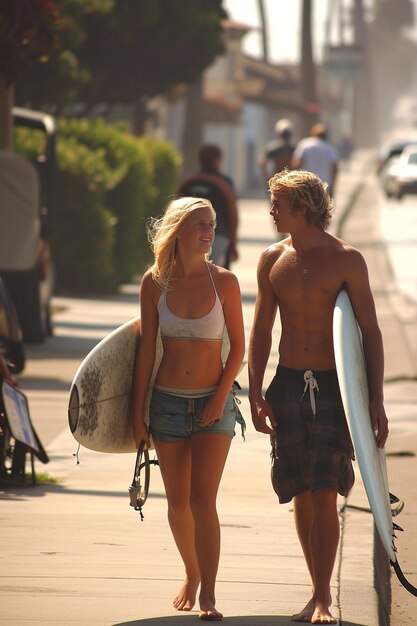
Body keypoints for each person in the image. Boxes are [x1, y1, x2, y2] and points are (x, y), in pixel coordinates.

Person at [248, 169, 389, 624]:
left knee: (326, 491)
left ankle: (324, 599)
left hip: (332, 387)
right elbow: (261, 330)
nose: (271, 211)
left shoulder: (347, 259)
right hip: (287, 383)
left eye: (278, 204)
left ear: (303, 208)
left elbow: (368, 330)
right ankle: (315, 591)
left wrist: (374, 401)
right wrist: (255, 389)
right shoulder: (272, 258)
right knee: (302, 493)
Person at [132, 196, 245, 622]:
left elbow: (238, 348)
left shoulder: (225, 283)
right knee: (177, 503)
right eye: (199, 224)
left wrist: (219, 399)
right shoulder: (154, 283)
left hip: (213, 405)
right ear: (178, 230)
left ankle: (210, 595)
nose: (208, 231)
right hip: (165, 404)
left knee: (203, 501)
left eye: (211, 224)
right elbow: (146, 350)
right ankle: (191, 573)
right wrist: (137, 412)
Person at [177, 145, 239, 269]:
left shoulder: (189, 182)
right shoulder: (224, 182)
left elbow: (176, 214)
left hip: (189, 236)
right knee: (215, 276)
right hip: (218, 236)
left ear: (199, 160)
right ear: (217, 160)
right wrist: (232, 243)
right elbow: (232, 215)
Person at [291, 123, 339, 197]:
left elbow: (296, 164)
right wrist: (332, 186)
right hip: (324, 184)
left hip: (306, 183)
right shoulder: (330, 148)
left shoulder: (304, 144)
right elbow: (335, 168)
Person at [260, 117, 296, 184]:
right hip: (291, 179)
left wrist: (267, 178)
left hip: (277, 179)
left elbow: (262, 163)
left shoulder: (272, 148)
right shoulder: (294, 148)